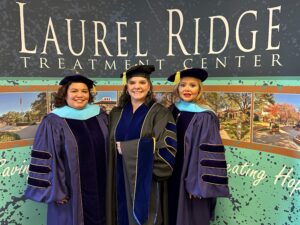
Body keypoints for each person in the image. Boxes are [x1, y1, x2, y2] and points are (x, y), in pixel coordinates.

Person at [24, 74, 108, 225]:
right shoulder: (53, 121)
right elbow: (46, 159)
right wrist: (58, 191)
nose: (80, 95)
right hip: (70, 192)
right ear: (65, 93)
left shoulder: (100, 116)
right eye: (74, 91)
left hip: (103, 188)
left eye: (84, 91)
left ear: (89, 94)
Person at [106, 65, 177, 225]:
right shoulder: (116, 113)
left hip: (147, 183)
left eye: (142, 82)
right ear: (127, 86)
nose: (137, 86)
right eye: (132, 83)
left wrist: (126, 148)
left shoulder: (160, 113)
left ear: (149, 86)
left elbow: (166, 150)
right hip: (118, 179)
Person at [167, 68, 230, 225]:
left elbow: (208, 154)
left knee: (189, 217)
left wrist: (197, 184)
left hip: (191, 178)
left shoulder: (205, 116)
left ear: (199, 89)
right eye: (182, 85)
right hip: (169, 175)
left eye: (192, 85)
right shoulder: (172, 110)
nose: (187, 89)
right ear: (177, 88)